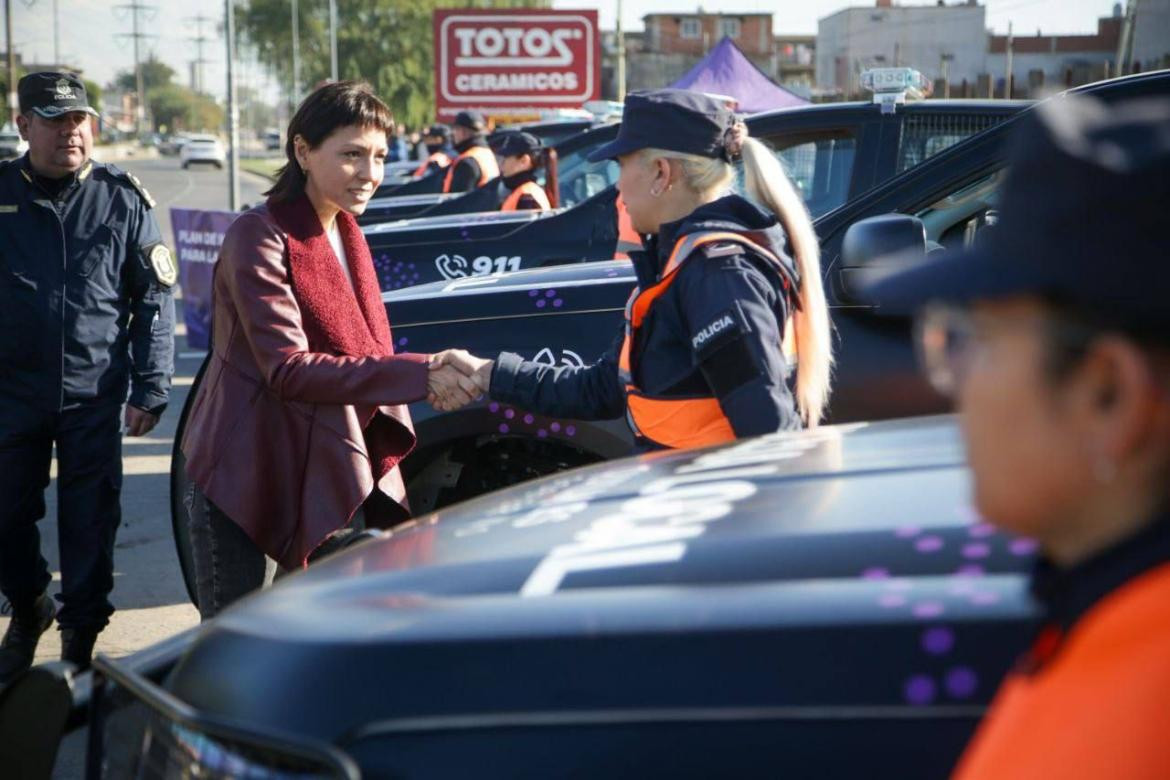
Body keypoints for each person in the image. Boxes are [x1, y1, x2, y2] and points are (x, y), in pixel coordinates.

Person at [863, 96, 1170, 779]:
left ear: (1107, 393)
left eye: (973, 341)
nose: (953, 382)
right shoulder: (1110, 612)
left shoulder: (1139, 719)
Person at [179, 81, 479, 621]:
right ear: (302, 151)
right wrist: (422, 374)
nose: (370, 173)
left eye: (381, 157)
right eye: (351, 155)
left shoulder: (348, 229)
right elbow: (288, 370)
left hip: (323, 464)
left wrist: (425, 375)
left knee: (317, 640)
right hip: (246, 472)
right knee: (238, 650)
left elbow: (361, 352)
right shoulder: (259, 236)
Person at [432, 89, 834, 449]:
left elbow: (772, 439)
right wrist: (488, 374)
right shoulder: (685, 263)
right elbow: (599, 389)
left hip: (714, 519)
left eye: (621, 167)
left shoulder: (717, 277)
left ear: (661, 173)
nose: (618, 188)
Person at [0, 72, 175, 680]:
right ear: (24, 126)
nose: (72, 131)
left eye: (80, 119)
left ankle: (79, 642)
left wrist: (152, 386)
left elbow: (153, 299)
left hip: (92, 395)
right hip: (10, 396)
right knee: (5, 517)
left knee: (90, 523)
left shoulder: (122, 198)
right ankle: (28, 607)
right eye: (55, 119)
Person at [491, 131, 553, 212]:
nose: (501, 164)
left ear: (524, 161)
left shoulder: (527, 198)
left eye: (505, 158)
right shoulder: (523, 191)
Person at [442, 110, 499, 194]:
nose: (453, 134)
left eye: (455, 129)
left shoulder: (467, 163)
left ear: (463, 132)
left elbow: (459, 202)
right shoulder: (486, 153)